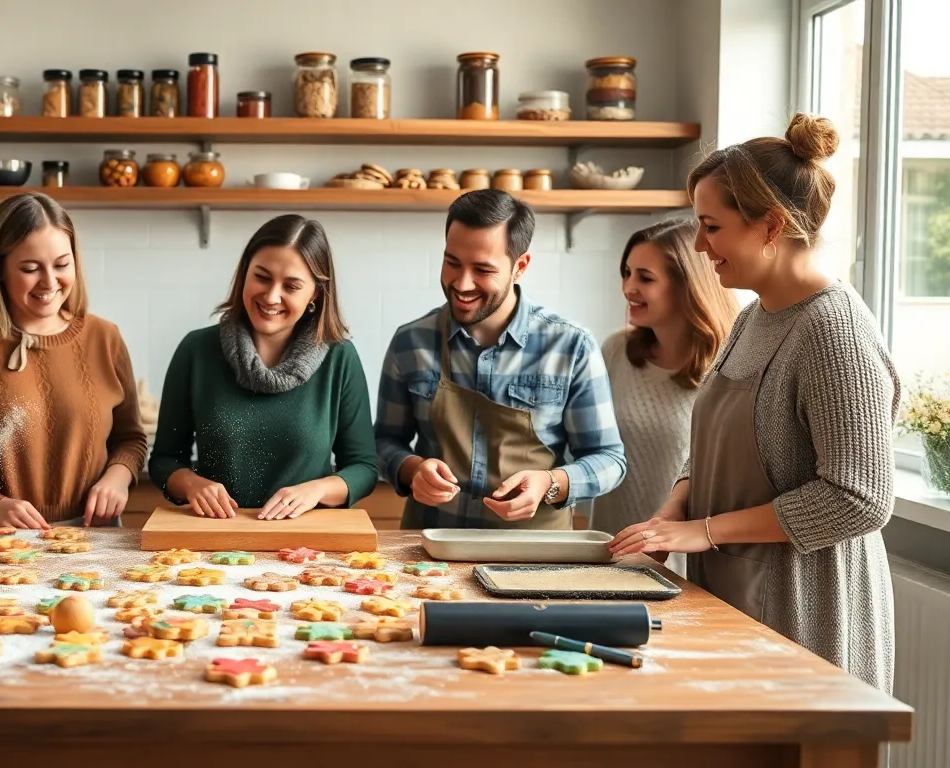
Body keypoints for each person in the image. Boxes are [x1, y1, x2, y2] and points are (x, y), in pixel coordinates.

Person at [608, 113, 899, 692]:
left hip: (806, 612)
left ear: (769, 227)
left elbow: (859, 499)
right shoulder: (752, 318)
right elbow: (715, 445)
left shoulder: (833, 331)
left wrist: (706, 531)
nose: (699, 245)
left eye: (710, 226)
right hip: (737, 592)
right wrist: (675, 512)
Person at [376, 189, 626, 529]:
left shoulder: (571, 346)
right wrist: (410, 469)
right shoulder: (411, 343)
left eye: (482, 269)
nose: (462, 283)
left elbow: (609, 459)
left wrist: (549, 484)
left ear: (520, 266)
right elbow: (383, 442)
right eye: (452, 263)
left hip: (534, 561)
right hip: (430, 554)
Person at [0, 193, 147, 528]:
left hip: (95, 536)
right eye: (30, 268)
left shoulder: (105, 338)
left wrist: (117, 478)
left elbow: (130, 439)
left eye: (62, 264)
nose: (49, 282)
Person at [149, 214, 378, 519]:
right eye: (262, 277)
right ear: (244, 273)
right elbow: (164, 460)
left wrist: (317, 490)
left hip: (307, 549)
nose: (271, 296)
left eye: (292, 286)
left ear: (316, 293)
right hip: (214, 542)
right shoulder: (196, 351)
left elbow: (364, 467)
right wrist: (192, 484)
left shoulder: (340, 357)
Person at [594, 219, 738, 575]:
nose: (628, 287)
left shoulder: (728, 365)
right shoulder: (616, 351)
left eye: (645, 277)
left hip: (687, 565)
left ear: (687, 284)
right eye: (626, 273)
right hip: (611, 555)